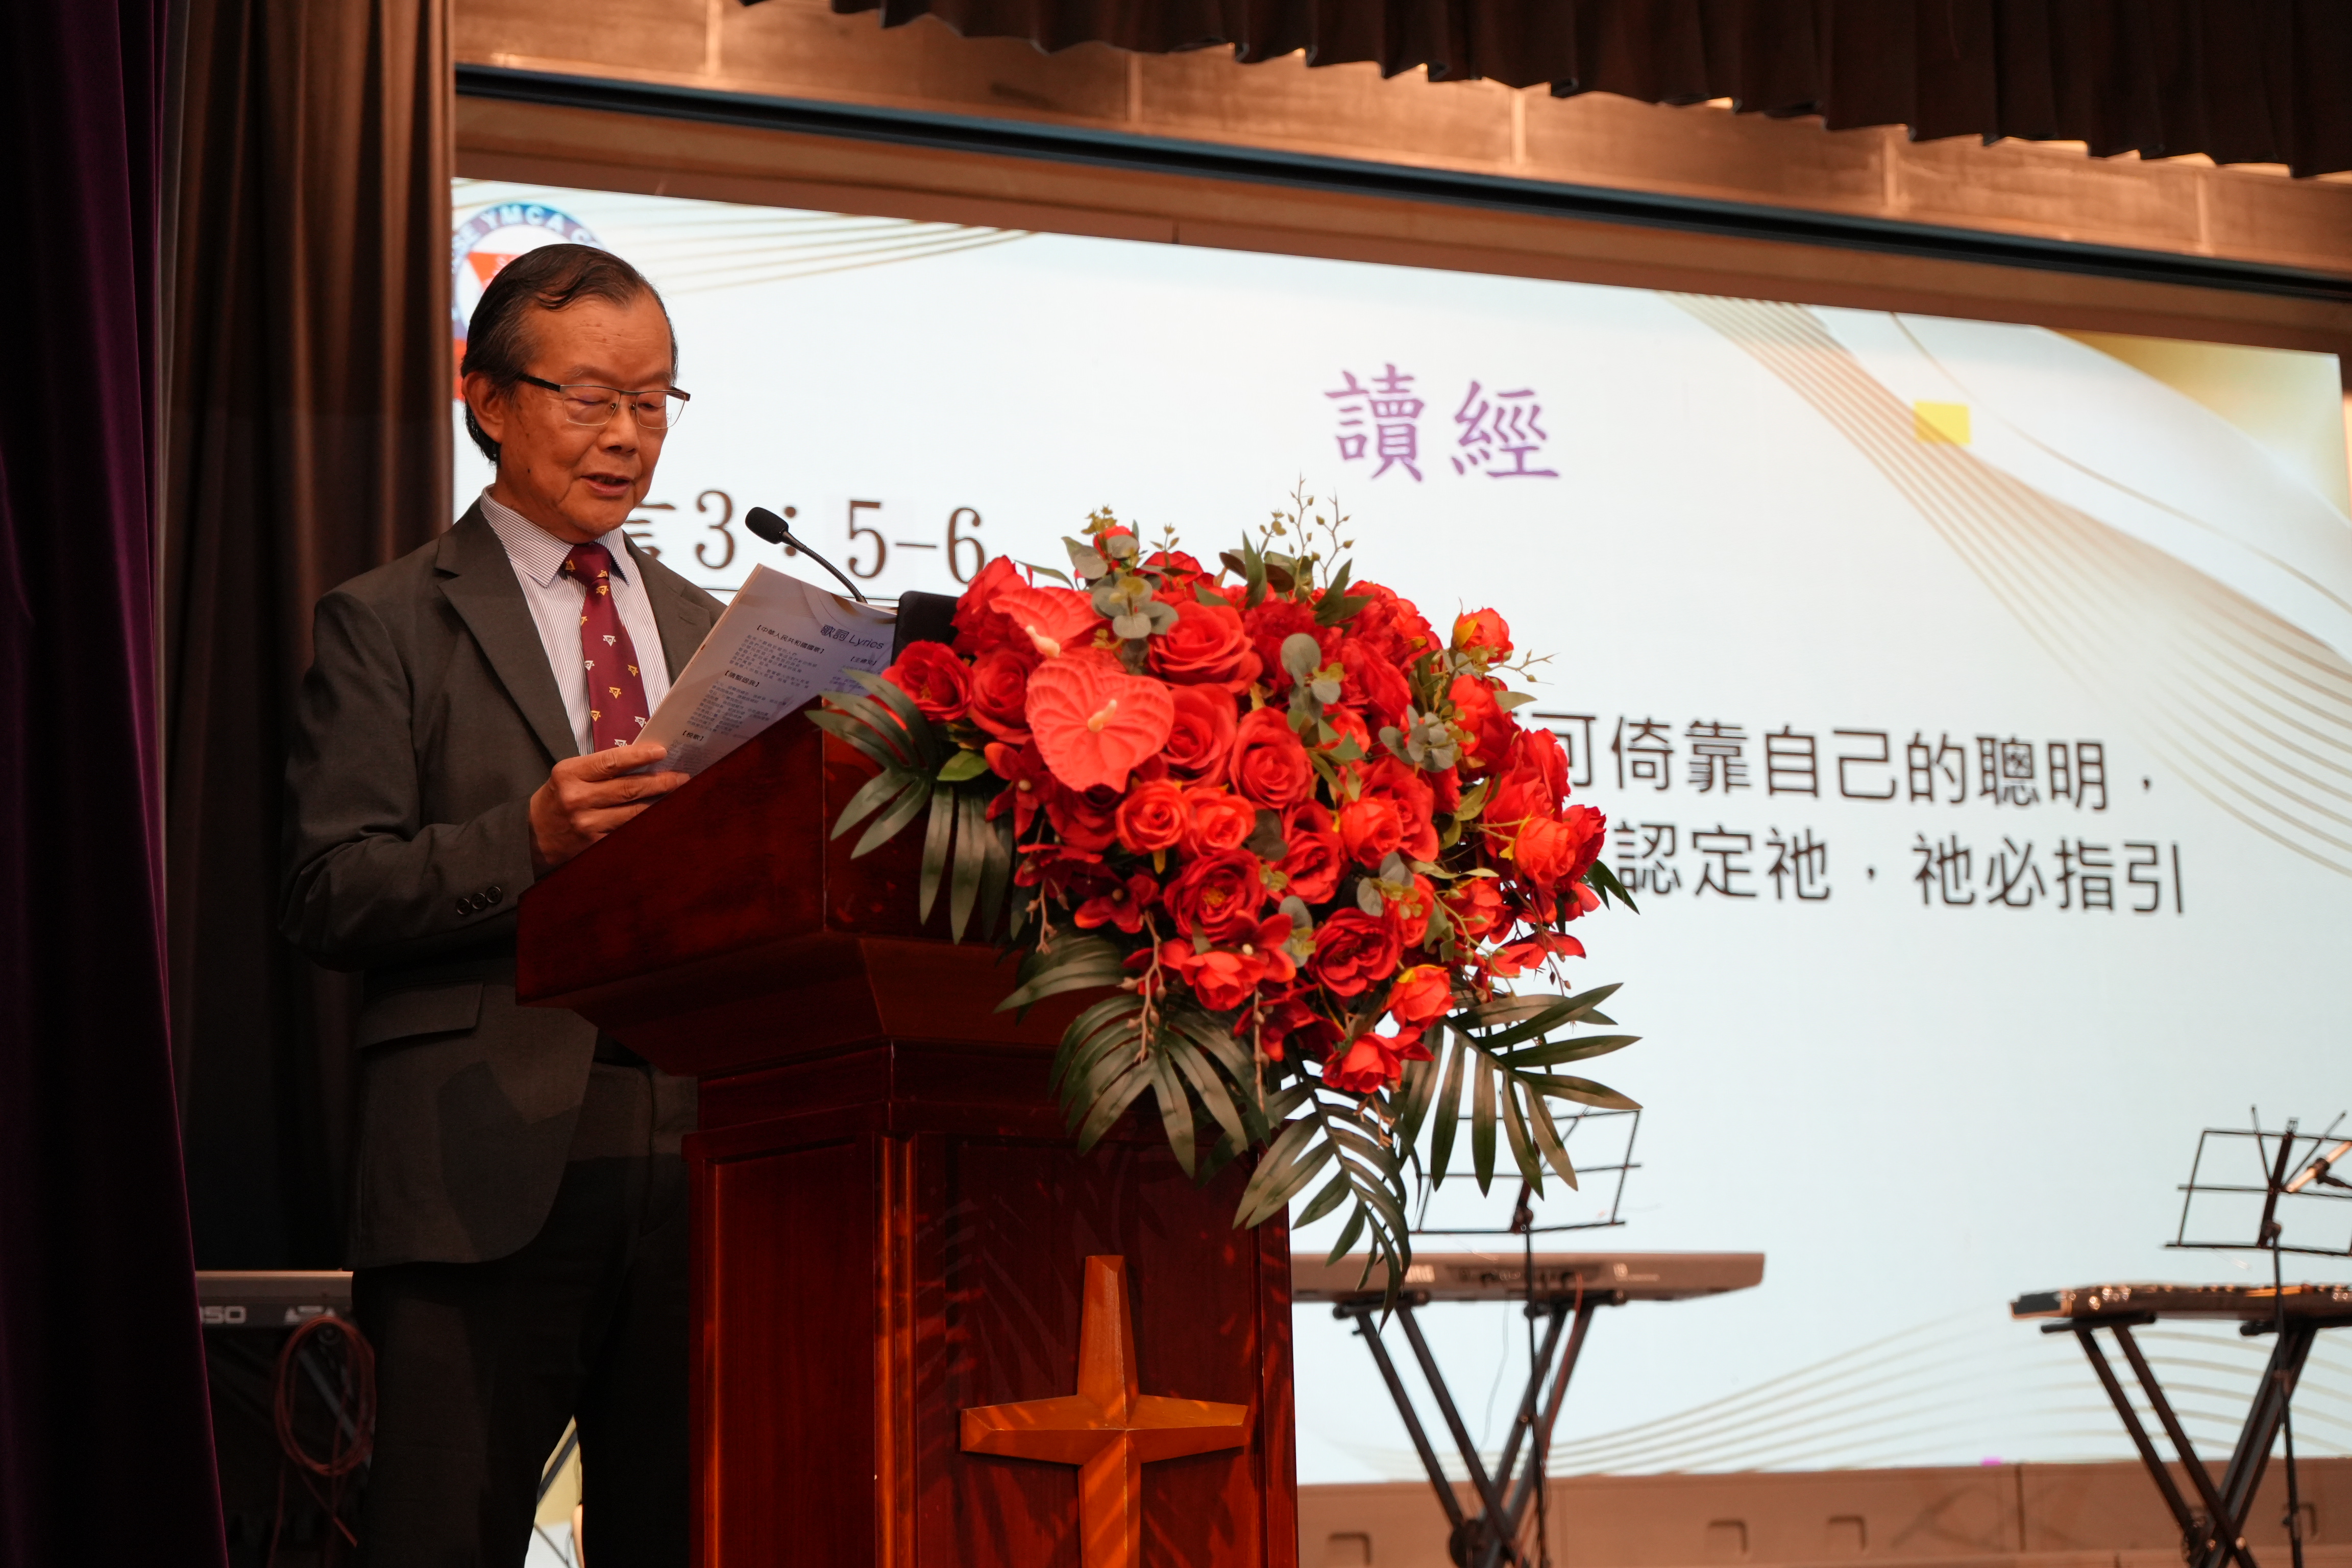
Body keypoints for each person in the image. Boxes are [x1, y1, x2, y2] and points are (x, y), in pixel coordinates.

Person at [282, 243, 721, 1565]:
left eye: (652, 400)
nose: (627, 436)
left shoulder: (711, 627)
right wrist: (524, 839)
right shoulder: (386, 623)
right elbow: (329, 890)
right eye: (589, 398)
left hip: (701, 1153)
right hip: (479, 1162)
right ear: (485, 397)